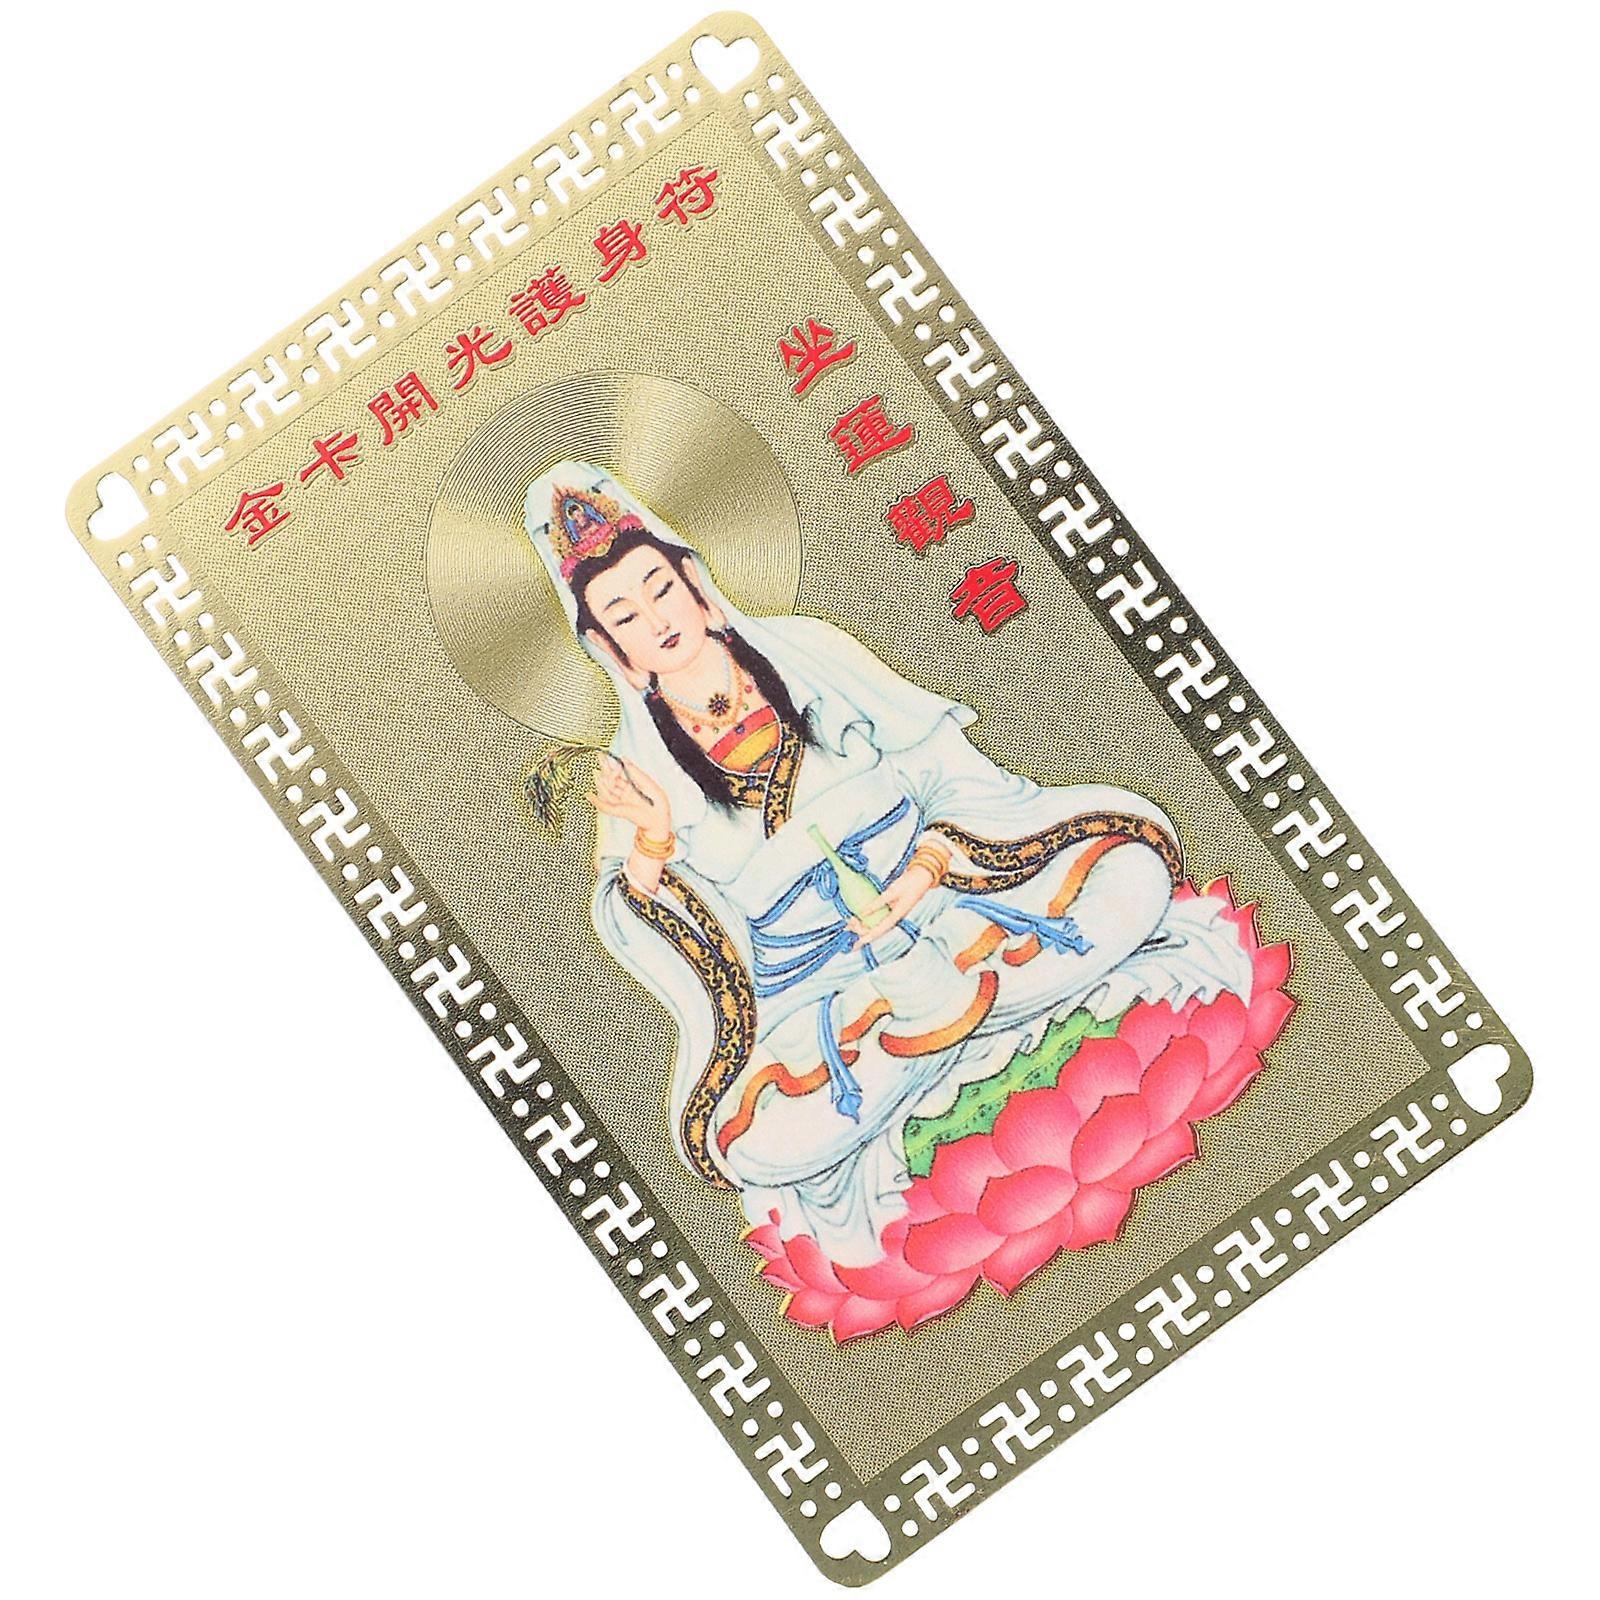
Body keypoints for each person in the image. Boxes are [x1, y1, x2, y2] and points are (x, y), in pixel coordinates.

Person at [525, 462, 1252, 1267]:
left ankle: (942, 1029)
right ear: (607, 646)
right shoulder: (636, 771)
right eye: (625, 615)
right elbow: (636, 921)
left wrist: (921, 875)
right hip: (823, 990)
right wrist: (655, 839)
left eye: (660, 588)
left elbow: (949, 769)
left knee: (1128, 871)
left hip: (949, 902)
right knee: (758, 1143)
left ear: (695, 581)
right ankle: (959, 1022)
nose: (656, 619)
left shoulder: (809, 651)